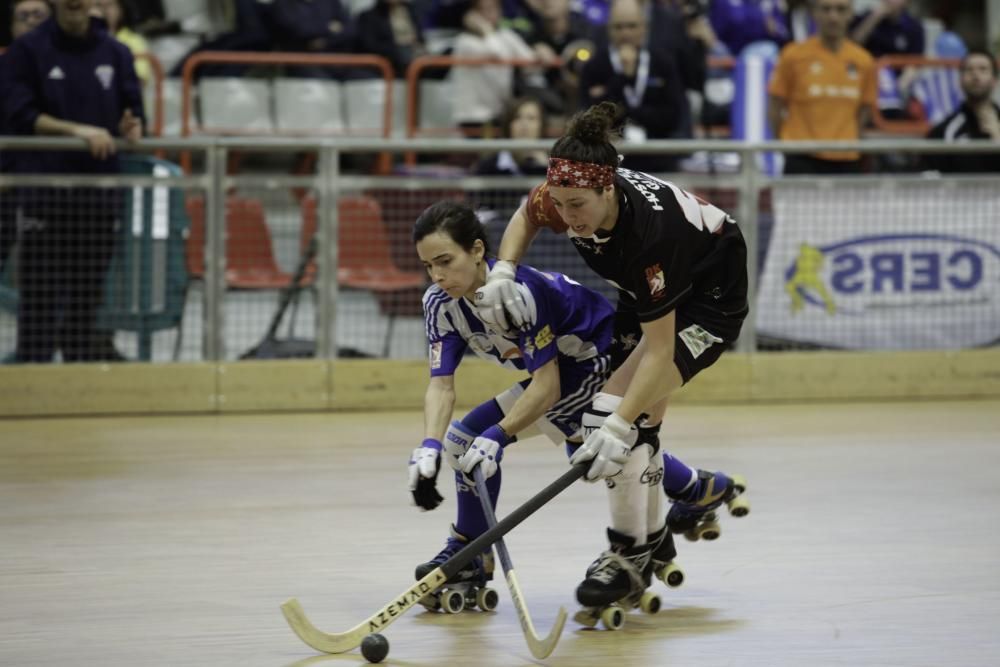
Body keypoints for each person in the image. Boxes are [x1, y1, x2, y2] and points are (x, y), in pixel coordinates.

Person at [472, 101, 750, 611]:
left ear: (609, 189)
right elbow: (523, 215)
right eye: (559, 203)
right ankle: (652, 530)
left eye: (577, 205)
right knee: (634, 418)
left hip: (709, 301)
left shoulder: (650, 237)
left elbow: (661, 351)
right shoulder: (568, 189)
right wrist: (503, 270)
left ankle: (626, 554)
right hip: (645, 291)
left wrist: (617, 426)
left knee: (614, 414)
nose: (567, 216)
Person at [407, 200, 617, 605]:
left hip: (598, 358)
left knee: (599, 456)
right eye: (428, 265)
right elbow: (441, 384)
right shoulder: (440, 303)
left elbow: (548, 386)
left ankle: (694, 490)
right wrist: (429, 445)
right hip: (558, 370)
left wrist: (499, 436)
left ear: (478, 250)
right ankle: (470, 551)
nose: (437, 275)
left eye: (446, 261)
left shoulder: (516, 295)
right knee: (460, 443)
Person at [2, 0, 144, 362]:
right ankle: (33, 381)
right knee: (40, 301)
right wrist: (76, 131)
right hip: (44, 196)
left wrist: (132, 125)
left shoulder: (117, 53)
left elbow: (133, 112)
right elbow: (20, 113)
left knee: (87, 299)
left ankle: (78, 384)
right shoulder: (27, 50)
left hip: (99, 197)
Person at [767, 0, 877, 174]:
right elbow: (775, 105)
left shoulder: (864, 61)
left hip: (846, 160)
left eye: (841, 10)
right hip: (801, 157)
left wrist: (847, 137)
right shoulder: (793, 56)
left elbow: (865, 108)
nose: (833, 17)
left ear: (850, 14)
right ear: (814, 13)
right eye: (826, 9)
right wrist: (784, 142)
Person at [579, 0, 689, 172]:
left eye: (631, 26)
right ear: (609, 29)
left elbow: (673, 115)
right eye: (618, 27)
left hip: (658, 155)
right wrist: (622, 77)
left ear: (644, 28)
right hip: (609, 158)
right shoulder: (595, 66)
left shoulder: (662, 63)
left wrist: (627, 111)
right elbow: (591, 117)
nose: (625, 33)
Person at [1, 0, 52, 274]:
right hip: (5, 188)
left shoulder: (65, 68)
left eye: (39, 15)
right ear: (11, 26)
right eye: (23, 16)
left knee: (42, 280)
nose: (31, 21)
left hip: (46, 192)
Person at [924, 49, 1000, 173]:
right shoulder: (943, 131)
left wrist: (998, 139)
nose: (976, 75)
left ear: (995, 80)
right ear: (960, 81)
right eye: (969, 70)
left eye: (983, 69)